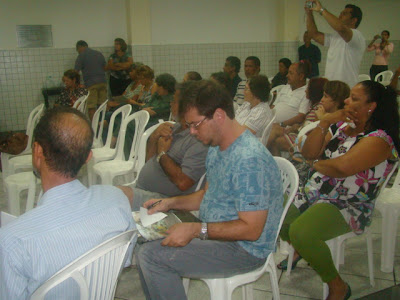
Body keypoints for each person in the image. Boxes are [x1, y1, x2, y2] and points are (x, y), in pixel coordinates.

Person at [131, 80, 283, 300]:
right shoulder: (217, 147)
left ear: (219, 115)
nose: (192, 132)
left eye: (196, 124)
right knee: (144, 240)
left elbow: (251, 230)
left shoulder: (250, 160)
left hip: (243, 249)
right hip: (216, 235)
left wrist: (196, 230)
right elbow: (205, 196)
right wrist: (170, 202)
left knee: (152, 257)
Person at [278, 81, 399, 300]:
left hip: (348, 203)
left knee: (301, 232)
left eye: (354, 98)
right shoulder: (343, 126)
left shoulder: (380, 139)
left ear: (371, 106)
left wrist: (316, 164)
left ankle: (337, 286)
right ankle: (301, 249)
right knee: (275, 212)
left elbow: (342, 168)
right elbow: (309, 152)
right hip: (316, 190)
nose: (346, 101)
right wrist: (324, 123)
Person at [0, 107, 136, 299]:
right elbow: (125, 260)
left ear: (38, 152)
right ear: (88, 157)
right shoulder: (117, 199)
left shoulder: (11, 242)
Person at [119, 81, 208, 210]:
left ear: (187, 106)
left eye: (174, 101)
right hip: (143, 189)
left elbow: (183, 183)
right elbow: (149, 161)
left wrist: (162, 153)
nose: (171, 104)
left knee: (115, 196)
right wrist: (154, 137)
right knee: (107, 194)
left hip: (164, 200)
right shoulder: (174, 128)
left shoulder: (197, 139)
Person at [306, 1, 365, 88]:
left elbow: (340, 27)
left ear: (354, 20)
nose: (340, 15)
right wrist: (309, 13)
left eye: (344, 14)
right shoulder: (335, 37)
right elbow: (314, 34)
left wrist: (321, 10)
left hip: (346, 88)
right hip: (330, 86)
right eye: (341, 13)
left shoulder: (357, 36)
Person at [268, 77, 329, 156]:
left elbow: (310, 128)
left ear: (314, 91)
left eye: (308, 88)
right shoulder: (314, 106)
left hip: (304, 140)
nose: (305, 91)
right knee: (273, 128)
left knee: (275, 141)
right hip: (299, 132)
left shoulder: (319, 108)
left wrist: (295, 128)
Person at [74, 40, 107, 120]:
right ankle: (102, 125)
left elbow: (75, 72)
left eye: (78, 50)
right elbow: (105, 67)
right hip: (103, 82)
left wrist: (77, 84)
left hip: (91, 84)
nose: (78, 52)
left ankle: (94, 127)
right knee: (102, 105)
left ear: (79, 47)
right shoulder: (98, 53)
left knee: (91, 106)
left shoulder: (81, 56)